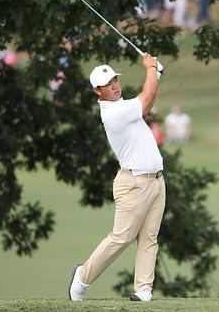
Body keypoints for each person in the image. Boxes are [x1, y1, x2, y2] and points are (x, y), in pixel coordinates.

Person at [68, 53, 166, 303]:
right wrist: (151, 68)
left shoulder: (124, 107)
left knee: (149, 237)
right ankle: (82, 277)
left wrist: (154, 74)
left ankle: (143, 289)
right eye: (107, 83)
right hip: (134, 184)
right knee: (121, 237)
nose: (114, 84)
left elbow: (147, 99)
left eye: (114, 79)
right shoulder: (113, 112)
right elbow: (146, 100)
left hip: (156, 181)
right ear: (96, 91)